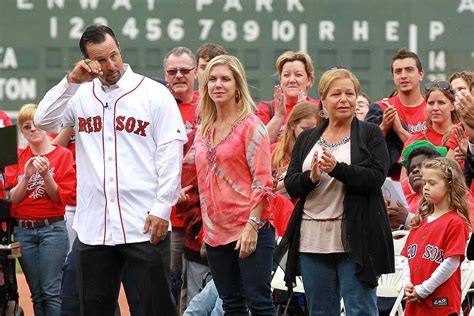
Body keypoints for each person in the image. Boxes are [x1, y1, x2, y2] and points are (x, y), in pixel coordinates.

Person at [34, 25, 187, 315]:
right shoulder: (80, 95)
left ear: (119, 48)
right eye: (101, 60)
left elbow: (170, 152)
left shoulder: (153, 93)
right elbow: (44, 120)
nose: (110, 65)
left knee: (154, 308)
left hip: (143, 221)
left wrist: (162, 207)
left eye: (113, 55)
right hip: (95, 227)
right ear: (88, 61)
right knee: (94, 308)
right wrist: (70, 81)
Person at [283, 68, 394, 315]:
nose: (344, 99)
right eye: (336, 94)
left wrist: (337, 169)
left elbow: (376, 178)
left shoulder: (370, 133)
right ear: (322, 100)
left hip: (356, 236)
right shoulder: (307, 139)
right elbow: (291, 184)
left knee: (360, 310)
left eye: (350, 93)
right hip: (312, 238)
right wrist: (310, 178)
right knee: (320, 311)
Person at [194, 54, 275, 314]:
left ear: (237, 85)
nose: (218, 84)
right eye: (212, 79)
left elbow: (263, 182)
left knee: (259, 303)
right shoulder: (204, 128)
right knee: (231, 304)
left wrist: (252, 226)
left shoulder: (251, 125)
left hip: (248, 228)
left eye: (225, 79)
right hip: (215, 232)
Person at [5, 103, 75, 316]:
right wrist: (26, 176)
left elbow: (59, 199)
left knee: (50, 291)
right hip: (23, 231)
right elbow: (13, 200)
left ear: (46, 125)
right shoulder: (17, 156)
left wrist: (46, 176)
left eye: (37, 124)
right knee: (36, 293)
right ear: (22, 132)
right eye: (27, 126)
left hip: (52, 228)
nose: (33, 129)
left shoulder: (62, 154)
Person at [401, 157, 470, 315]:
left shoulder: (455, 222)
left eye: (432, 183)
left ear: (450, 186)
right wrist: (408, 285)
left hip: (441, 305)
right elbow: (407, 257)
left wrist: (424, 289)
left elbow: (451, 263)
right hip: (416, 302)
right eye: (425, 183)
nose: (425, 187)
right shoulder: (419, 220)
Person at [163, 46, 201, 313]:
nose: (179, 76)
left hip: (202, 211)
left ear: (196, 73)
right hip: (169, 214)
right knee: (169, 279)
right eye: (172, 71)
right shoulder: (156, 105)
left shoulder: (208, 105)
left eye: (185, 70)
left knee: (198, 282)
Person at [365, 48, 426, 178]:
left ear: (421, 74)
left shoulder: (433, 109)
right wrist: (384, 126)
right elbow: (363, 149)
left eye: (409, 70)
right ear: (393, 77)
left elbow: (436, 152)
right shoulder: (380, 108)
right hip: (388, 187)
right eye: (398, 71)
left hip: (428, 184)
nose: (403, 75)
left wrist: (399, 130)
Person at [271, 101, 320, 236]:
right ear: (293, 125)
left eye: (316, 130)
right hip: (274, 221)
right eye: (305, 130)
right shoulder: (274, 152)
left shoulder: (320, 153)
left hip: (306, 219)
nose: (310, 135)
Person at [255, 51, 319, 143]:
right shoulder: (265, 109)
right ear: (280, 79)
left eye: (298, 75)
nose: (292, 80)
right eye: (286, 75)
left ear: (309, 80)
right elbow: (258, 146)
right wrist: (278, 116)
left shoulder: (319, 108)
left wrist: (303, 113)